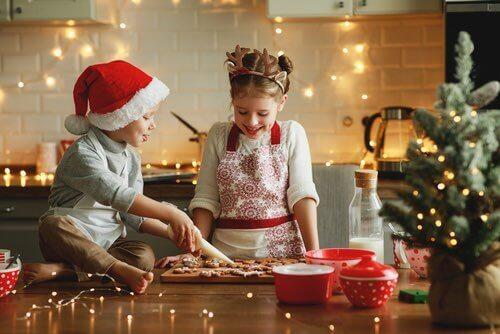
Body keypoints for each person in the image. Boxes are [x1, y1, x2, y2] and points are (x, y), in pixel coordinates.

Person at [23, 60, 198, 293]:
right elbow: (117, 195)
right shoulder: (82, 153)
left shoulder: (131, 157)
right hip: (70, 238)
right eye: (146, 117)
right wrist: (172, 213)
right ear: (119, 117)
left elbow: (133, 214)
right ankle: (116, 269)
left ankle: (64, 270)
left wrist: (172, 232)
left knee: (143, 256)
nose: (153, 125)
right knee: (53, 226)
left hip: (107, 244)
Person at [188, 46, 319, 259]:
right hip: (225, 257)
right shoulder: (219, 135)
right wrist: (194, 254)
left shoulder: (291, 133)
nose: (251, 121)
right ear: (232, 100)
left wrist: (314, 254)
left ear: (281, 102)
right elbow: (206, 199)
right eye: (242, 111)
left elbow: (302, 196)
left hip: (283, 254)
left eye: (263, 113)